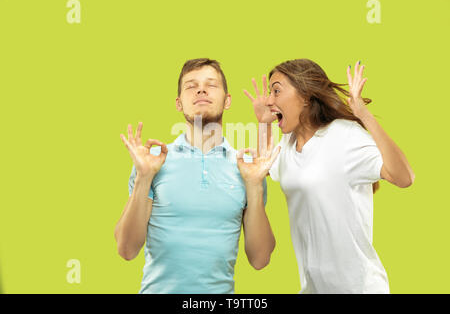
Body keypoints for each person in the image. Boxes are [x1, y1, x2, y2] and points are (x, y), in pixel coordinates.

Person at [244, 59, 415, 294]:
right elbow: (264, 166)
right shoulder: (288, 144)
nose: (270, 100)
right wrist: (263, 124)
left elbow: (403, 177)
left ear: (305, 96)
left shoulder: (344, 135)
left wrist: (364, 115)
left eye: (276, 90)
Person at [115, 58, 279, 294]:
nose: (201, 89)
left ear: (228, 100)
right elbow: (127, 249)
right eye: (191, 85)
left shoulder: (247, 168)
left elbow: (260, 259)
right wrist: (143, 177)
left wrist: (255, 185)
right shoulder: (152, 162)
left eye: (211, 84)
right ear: (179, 103)